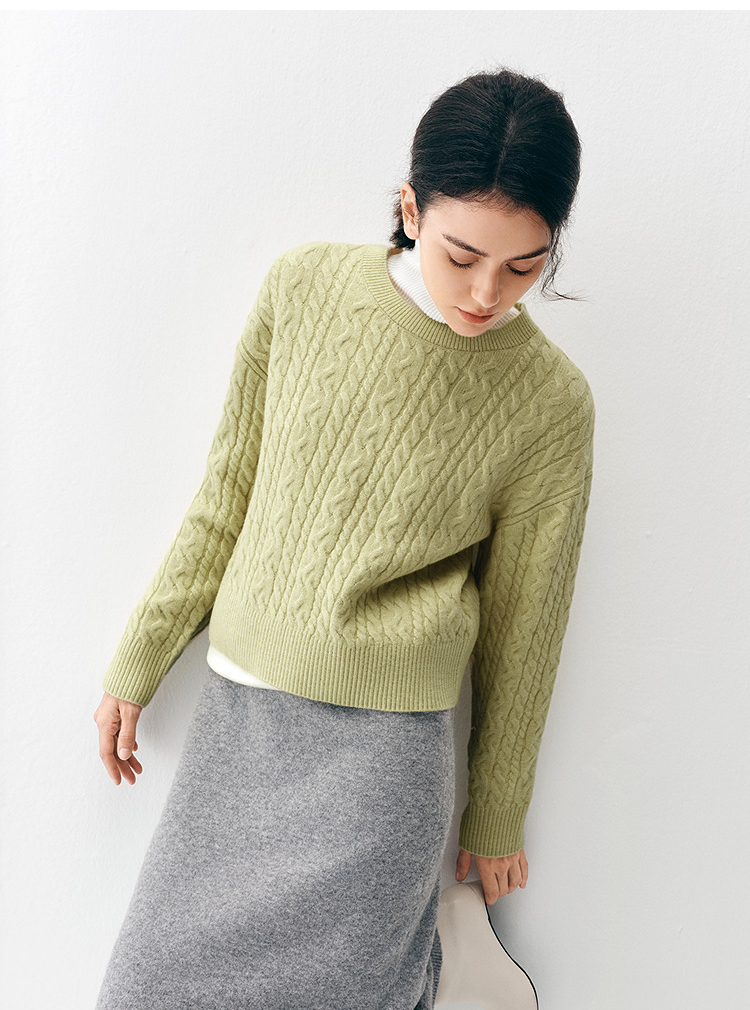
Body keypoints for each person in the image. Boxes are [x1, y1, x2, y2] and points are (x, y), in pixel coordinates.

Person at [93, 67, 594, 1010]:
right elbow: (228, 493)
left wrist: (495, 813)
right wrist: (142, 653)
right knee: (143, 990)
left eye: (524, 266)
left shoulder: (551, 403)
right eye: (461, 254)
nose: (486, 292)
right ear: (410, 208)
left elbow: (525, 629)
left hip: (384, 764)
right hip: (242, 727)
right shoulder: (304, 289)